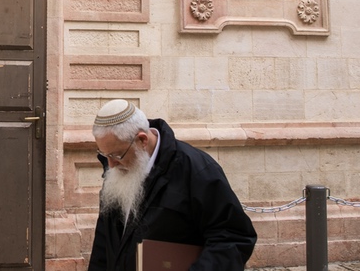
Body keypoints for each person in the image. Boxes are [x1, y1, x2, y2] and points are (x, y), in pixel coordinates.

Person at [87, 99, 256, 271]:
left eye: (117, 155)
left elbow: (233, 238)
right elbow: (104, 242)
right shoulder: (118, 168)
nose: (111, 164)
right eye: (104, 154)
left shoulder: (196, 169)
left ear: (142, 140)